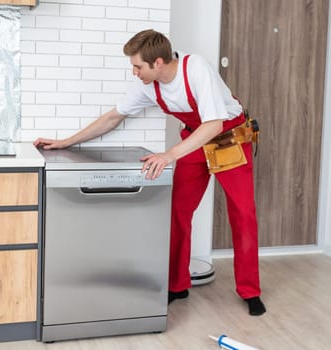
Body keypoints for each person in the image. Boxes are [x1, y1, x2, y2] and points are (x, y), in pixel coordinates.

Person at [33, 29, 266, 316]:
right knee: (177, 213)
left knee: (243, 214)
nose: (134, 72)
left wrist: (169, 154)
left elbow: (214, 124)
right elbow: (112, 117)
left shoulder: (196, 69)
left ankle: (250, 291)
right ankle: (176, 285)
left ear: (157, 62)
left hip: (229, 138)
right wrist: (66, 141)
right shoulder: (149, 85)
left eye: (137, 66)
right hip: (194, 140)